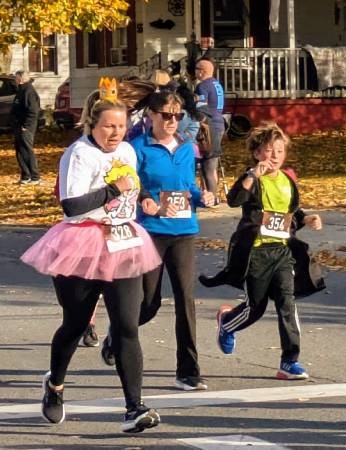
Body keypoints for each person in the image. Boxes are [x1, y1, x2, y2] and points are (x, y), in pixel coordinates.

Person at [21, 96, 163, 432]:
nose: (116, 132)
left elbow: (132, 186)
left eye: (121, 126)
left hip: (122, 241)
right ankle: (55, 385)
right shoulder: (79, 154)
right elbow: (71, 206)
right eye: (108, 126)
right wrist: (114, 189)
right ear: (92, 124)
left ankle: (134, 408)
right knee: (75, 324)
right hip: (82, 242)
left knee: (127, 327)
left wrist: (143, 198)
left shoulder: (126, 151)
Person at [199, 122, 325, 380]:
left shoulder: (287, 181)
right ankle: (227, 323)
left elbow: (290, 213)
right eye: (269, 150)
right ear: (257, 153)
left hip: (281, 252)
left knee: (287, 304)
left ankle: (289, 361)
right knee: (255, 307)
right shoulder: (253, 179)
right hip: (255, 253)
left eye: (279, 151)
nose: (274, 156)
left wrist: (307, 218)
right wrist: (252, 176)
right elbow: (234, 200)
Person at [123, 90, 218, 391]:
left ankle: (188, 371)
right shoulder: (137, 147)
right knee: (148, 303)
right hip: (151, 230)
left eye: (178, 115)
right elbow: (130, 184)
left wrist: (203, 197)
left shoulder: (187, 148)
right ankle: (120, 334)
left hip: (183, 230)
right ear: (151, 115)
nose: (172, 121)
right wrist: (145, 199)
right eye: (166, 115)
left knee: (185, 300)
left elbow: (188, 185)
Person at [194, 57, 226, 194]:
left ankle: (210, 197)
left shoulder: (202, 86)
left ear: (201, 71)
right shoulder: (217, 84)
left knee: (207, 166)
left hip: (208, 127)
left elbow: (201, 109)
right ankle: (213, 195)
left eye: (196, 69)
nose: (195, 72)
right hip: (219, 123)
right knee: (213, 165)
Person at [12, 70, 42, 185]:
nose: (15, 79)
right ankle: (26, 176)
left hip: (26, 128)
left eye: (16, 77)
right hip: (18, 126)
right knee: (20, 151)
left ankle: (35, 177)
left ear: (21, 78)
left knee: (27, 151)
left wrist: (26, 125)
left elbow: (33, 111)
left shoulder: (29, 91)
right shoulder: (21, 90)